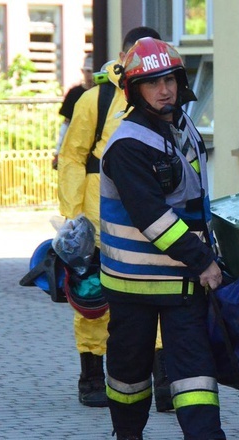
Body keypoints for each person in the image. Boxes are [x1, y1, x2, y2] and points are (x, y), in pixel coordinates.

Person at [99, 37, 237, 440]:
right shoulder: (127, 144)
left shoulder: (182, 127)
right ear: (135, 90)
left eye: (170, 79)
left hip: (181, 279)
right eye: (153, 82)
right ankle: (128, 433)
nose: (165, 89)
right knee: (129, 365)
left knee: (194, 364)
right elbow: (152, 217)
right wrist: (203, 260)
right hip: (134, 281)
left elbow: (195, 200)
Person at [56, 26, 173, 409]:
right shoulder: (97, 99)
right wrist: (74, 217)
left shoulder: (164, 103)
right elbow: (73, 155)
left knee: (158, 293)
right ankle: (91, 375)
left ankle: (163, 379)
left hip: (150, 220)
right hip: (97, 219)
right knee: (92, 299)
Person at [52, 54, 94, 170]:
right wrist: (58, 151)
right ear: (82, 71)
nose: (90, 76)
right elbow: (66, 123)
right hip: (75, 148)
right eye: (88, 71)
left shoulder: (103, 94)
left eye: (93, 71)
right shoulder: (74, 93)